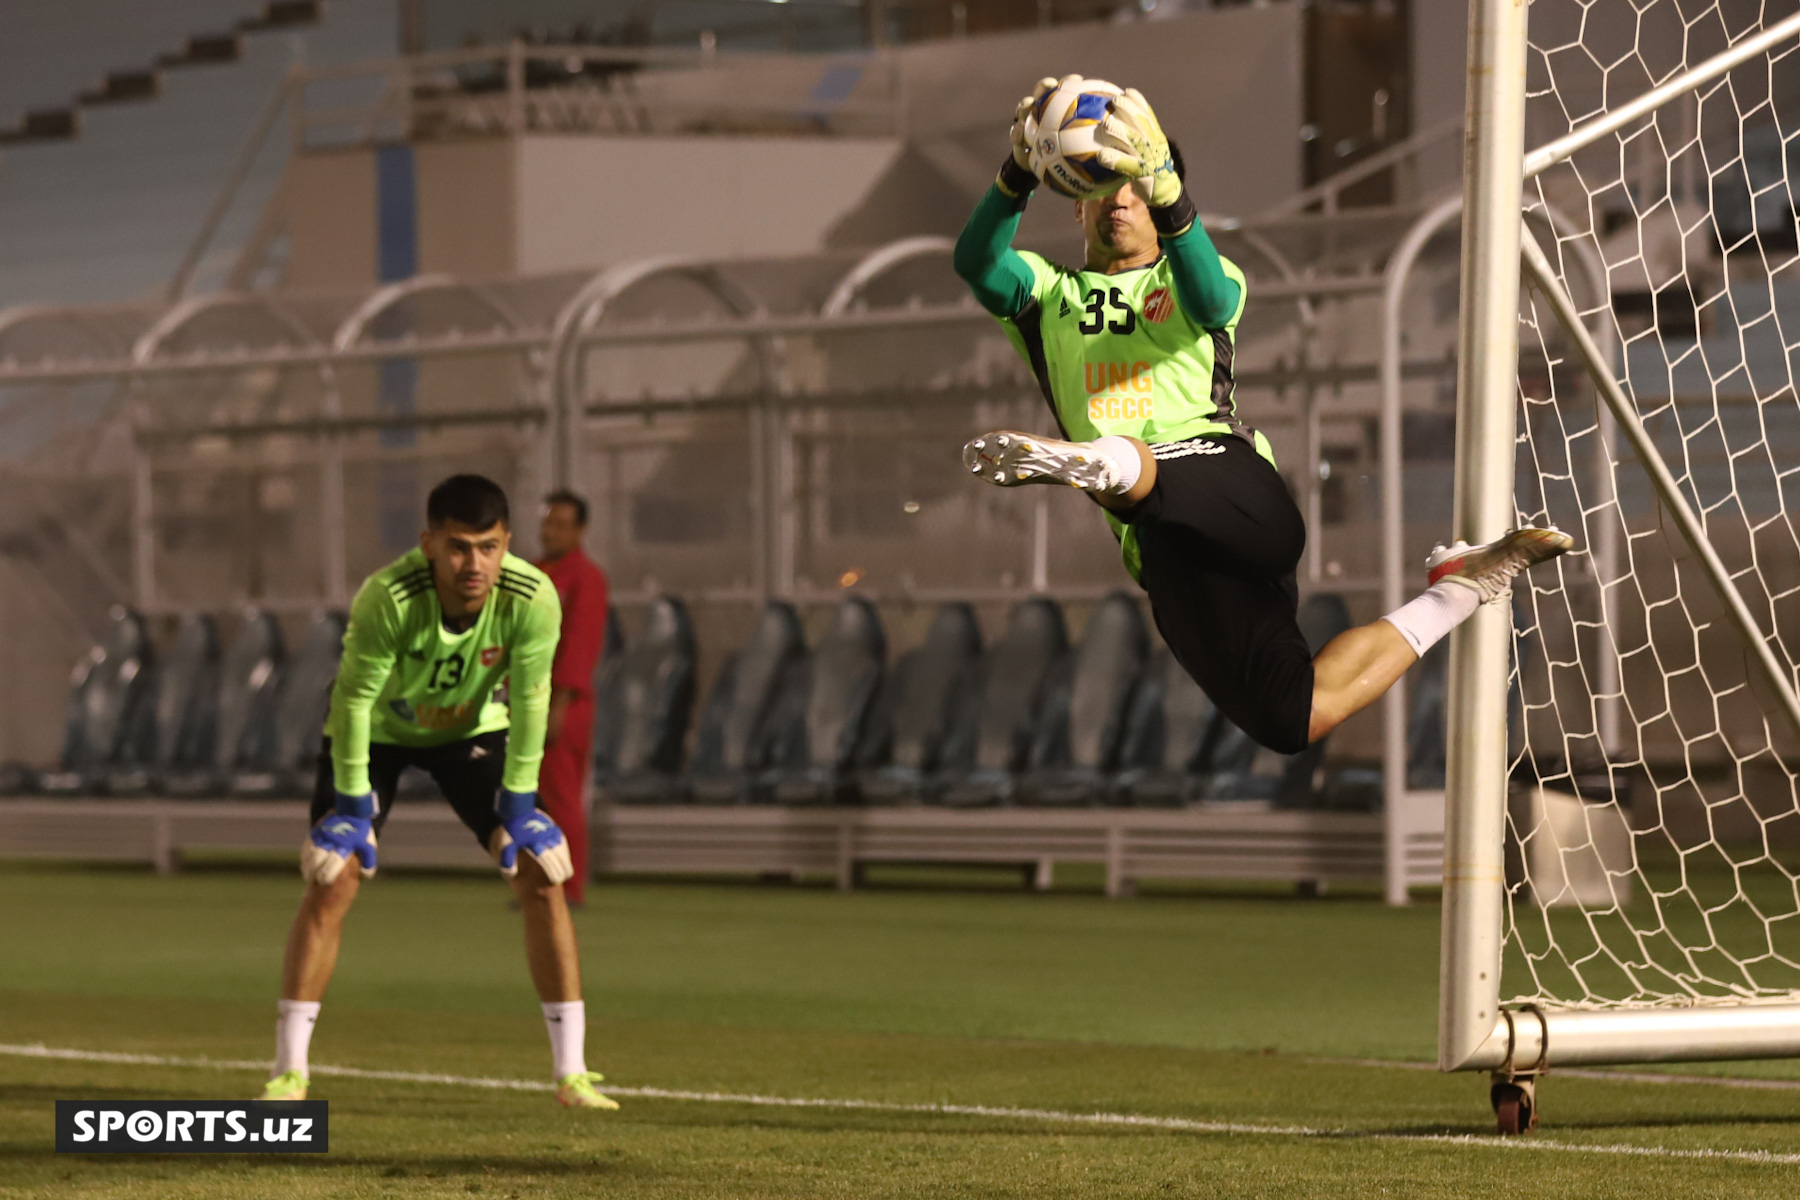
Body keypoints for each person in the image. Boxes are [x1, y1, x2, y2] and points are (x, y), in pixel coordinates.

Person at [955, 79, 1571, 755]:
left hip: (1223, 476)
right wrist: (1016, 174)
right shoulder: (1046, 297)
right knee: (1290, 718)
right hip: (1160, 544)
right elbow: (976, 261)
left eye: (1134, 183)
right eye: (1101, 183)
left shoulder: (1189, 276)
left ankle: (1112, 461)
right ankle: (1461, 588)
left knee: (1269, 538)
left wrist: (1173, 196)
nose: (1119, 200)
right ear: (1076, 201)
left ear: (1157, 199)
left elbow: (1215, 302)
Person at [261, 474, 618, 1110]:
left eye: (487, 546)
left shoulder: (534, 597)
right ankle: (290, 1073)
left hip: (470, 734)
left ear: (508, 542)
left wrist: (519, 805)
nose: (473, 563)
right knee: (333, 877)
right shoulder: (389, 597)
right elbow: (353, 701)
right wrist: (350, 809)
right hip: (379, 735)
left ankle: (573, 1073)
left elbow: (532, 701)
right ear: (428, 543)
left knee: (541, 873)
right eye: (457, 547)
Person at [534, 490, 610, 907]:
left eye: (561, 524)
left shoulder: (585, 578)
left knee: (562, 797)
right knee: (532, 799)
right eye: (547, 523)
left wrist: (559, 703)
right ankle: (538, 881)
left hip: (564, 704)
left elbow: (580, 645)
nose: (550, 532)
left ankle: (567, 886)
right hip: (529, 699)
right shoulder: (535, 572)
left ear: (579, 530)